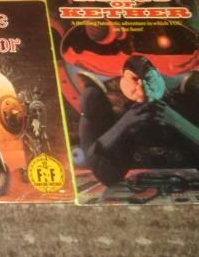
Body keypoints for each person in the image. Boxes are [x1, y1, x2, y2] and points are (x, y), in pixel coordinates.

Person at [79, 54, 199, 186]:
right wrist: (125, 123)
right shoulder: (100, 101)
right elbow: (97, 165)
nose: (142, 87)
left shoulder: (188, 95)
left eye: (149, 79)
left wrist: (176, 120)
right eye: (134, 79)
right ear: (123, 79)